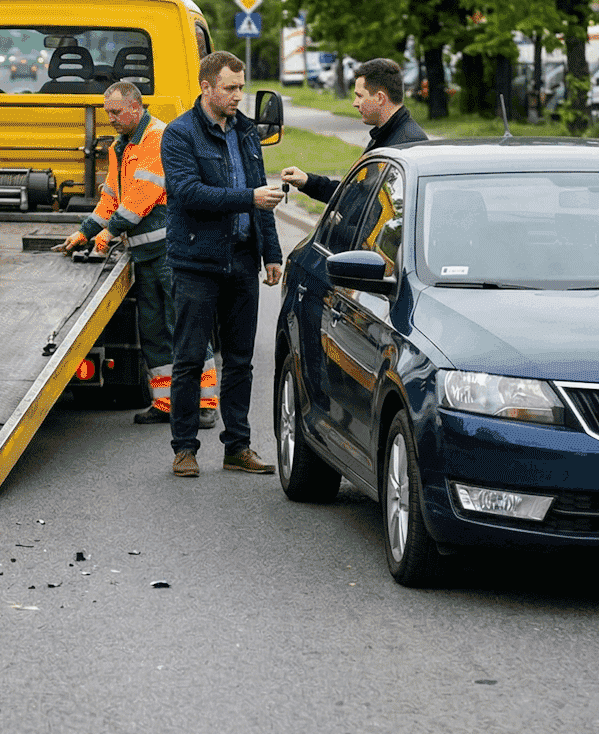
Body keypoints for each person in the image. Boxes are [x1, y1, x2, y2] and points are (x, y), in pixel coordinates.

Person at [161, 51, 284, 478]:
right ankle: (184, 449)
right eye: (230, 88)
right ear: (206, 87)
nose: (237, 95)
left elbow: (261, 193)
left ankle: (238, 447)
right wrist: (249, 198)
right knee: (189, 360)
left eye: (240, 87)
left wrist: (271, 253)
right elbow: (188, 193)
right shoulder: (180, 134)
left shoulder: (246, 132)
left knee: (240, 361)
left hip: (243, 260)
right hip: (197, 262)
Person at [58, 81, 203, 425]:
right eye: (107, 112)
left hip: (170, 252)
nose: (110, 118)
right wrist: (84, 232)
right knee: (152, 331)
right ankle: (165, 403)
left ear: (136, 108)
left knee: (183, 327)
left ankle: (205, 405)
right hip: (145, 255)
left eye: (116, 111)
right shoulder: (119, 146)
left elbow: (141, 197)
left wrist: (109, 234)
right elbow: (111, 197)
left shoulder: (158, 138)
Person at [279, 57, 428, 202]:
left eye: (359, 96)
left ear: (380, 98)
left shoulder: (405, 147)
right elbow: (356, 195)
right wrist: (308, 182)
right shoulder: (386, 134)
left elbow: (362, 204)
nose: (355, 103)